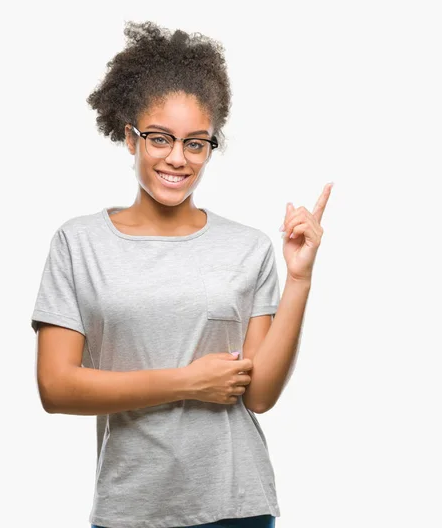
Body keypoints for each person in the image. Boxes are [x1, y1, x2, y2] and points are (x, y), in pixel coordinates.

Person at [30, 20, 332, 528]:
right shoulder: (79, 243)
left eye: (196, 143)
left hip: (238, 505)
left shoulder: (247, 248)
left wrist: (298, 278)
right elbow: (56, 388)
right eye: (160, 139)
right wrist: (186, 382)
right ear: (130, 138)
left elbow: (259, 395)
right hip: (132, 509)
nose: (177, 158)